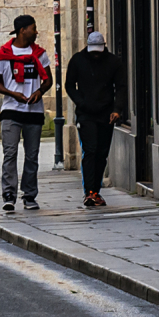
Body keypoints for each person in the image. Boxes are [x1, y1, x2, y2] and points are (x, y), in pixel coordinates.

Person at [0, 14, 53, 213]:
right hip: (11, 110)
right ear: (22, 30)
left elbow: (48, 79)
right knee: (10, 153)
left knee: (32, 155)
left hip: (33, 110)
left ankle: (29, 194)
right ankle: (9, 194)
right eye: (33, 28)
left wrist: (39, 92)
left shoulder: (40, 54)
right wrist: (11, 93)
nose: (36, 32)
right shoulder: (4, 54)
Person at [64, 31, 127, 208]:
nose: (96, 55)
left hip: (106, 113)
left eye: (99, 51)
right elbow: (70, 85)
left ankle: (95, 191)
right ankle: (89, 191)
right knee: (90, 150)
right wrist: (81, 102)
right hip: (86, 113)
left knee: (101, 153)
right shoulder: (77, 60)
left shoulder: (114, 62)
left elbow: (121, 87)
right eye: (93, 51)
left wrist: (117, 109)